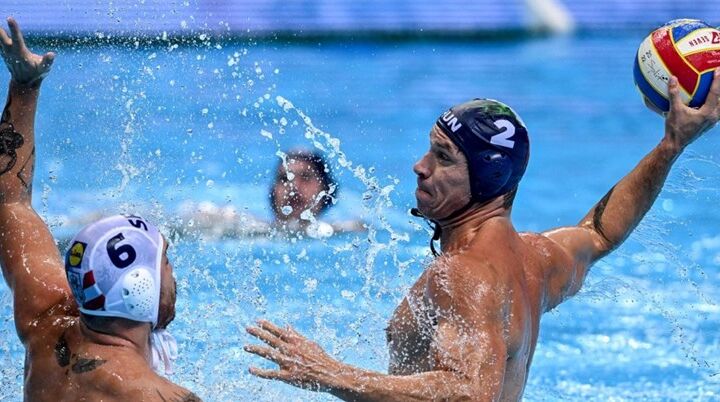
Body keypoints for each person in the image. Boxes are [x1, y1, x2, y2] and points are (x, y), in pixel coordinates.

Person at [245, 72, 720, 398]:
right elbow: (598, 231)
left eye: (443, 157)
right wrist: (670, 146)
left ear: (487, 177)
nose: (420, 166)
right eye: (429, 150)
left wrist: (331, 374)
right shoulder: (535, 258)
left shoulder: (464, 274)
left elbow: (470, 392)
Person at [0, 18, 201, 401]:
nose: (173, 274)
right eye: (165, 262)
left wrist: (24, 86)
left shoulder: (43, 320)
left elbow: (11, 202)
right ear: (138, 288)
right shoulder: (155, 395)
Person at [176, 148, 363, 240]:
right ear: (272, 192)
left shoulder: (347, 231)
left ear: (326, 191)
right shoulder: (245, 227)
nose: (293, 187)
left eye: (305, 178)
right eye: (284, 179)